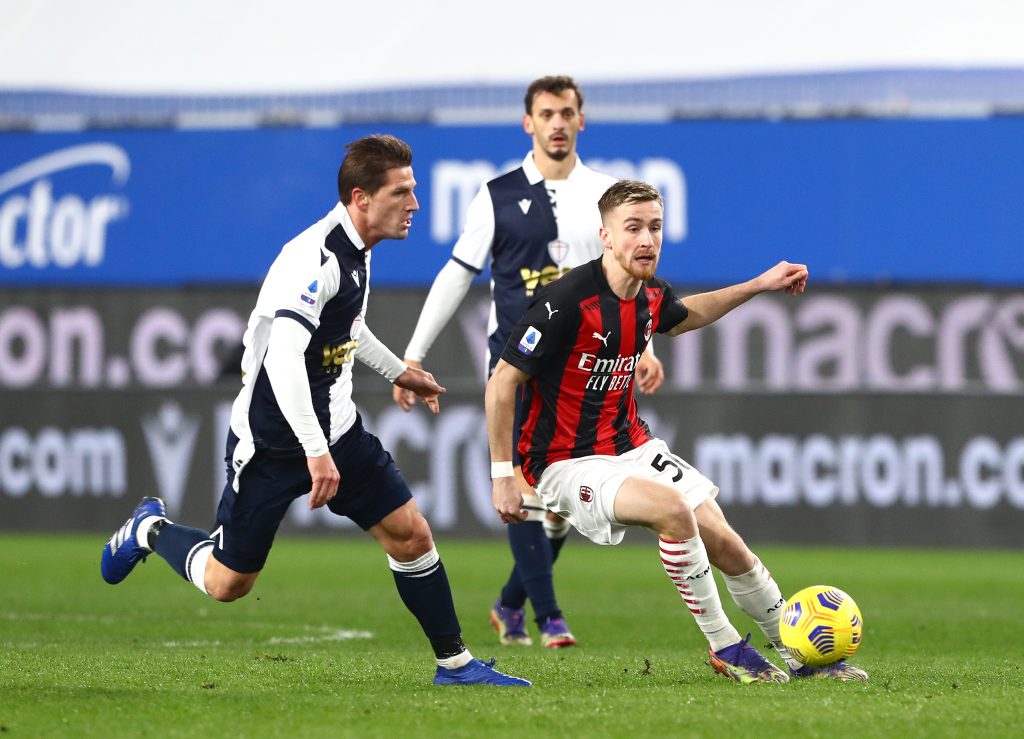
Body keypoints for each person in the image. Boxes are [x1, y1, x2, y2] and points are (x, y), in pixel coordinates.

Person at [101, 134, 530, 688]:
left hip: (338, 431)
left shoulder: (359, 249)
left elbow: (348, 328)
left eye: (413, 190)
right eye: (401, 192)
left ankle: (455, 664)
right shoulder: (314, 258)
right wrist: (315, 451)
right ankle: (151, 529)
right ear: (361, 198)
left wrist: (397, 370)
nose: (415, 204)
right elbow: (283, 359)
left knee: (411, 535)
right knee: (229, 583)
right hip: (273, 443)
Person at [485, 179, 869, 683]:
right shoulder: (564, 302)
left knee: (727, 542)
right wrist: (503, 474)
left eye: (655, 227)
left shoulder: (650, 295)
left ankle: (800, 657)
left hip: (630, 443)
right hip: (564, 461)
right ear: (605, 236)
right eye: (633, 228)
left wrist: (758, 284)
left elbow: (686, 314)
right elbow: (501, 383)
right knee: (673, 510)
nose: (647, 240)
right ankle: (725, 646)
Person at [393, 75, 664, 649]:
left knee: (559, 507)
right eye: (546, 114)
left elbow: (628, 282)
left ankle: (510, 605)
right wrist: (413, 353)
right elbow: (457, 275)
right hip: (518, 360)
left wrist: (645, 346)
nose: (557, 123)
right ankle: (549, 617)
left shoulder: (607, 195)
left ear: (580, 121)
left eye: (566, 113)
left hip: (585, 368)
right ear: (529, 123)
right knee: (525, 485)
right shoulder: (496, 194)